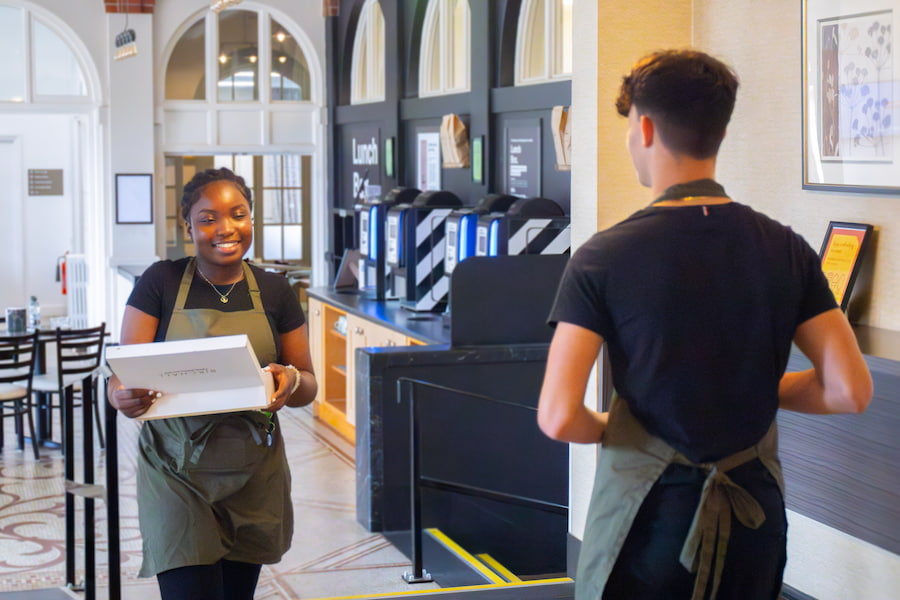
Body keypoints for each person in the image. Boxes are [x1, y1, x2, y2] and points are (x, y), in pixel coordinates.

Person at [537, 49, 873, 600]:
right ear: (718, 131)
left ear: (643, 127)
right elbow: (849, 390)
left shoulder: (602, 257)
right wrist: (757, 389)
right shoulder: (786, 248)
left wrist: (618, 429)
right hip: (753, 515)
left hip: (647, 518)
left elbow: (557, 415)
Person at [107, 167, 318, 600]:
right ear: (189, 227)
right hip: (175, 472)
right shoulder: (160, 283)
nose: (226, 229)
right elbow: (121, 378)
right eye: (208, 219)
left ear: (251, 220)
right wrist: (122, 397)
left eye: (238, 214)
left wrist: (290, 380)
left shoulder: (276, 291)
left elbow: (308, 386)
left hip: (254, 472)